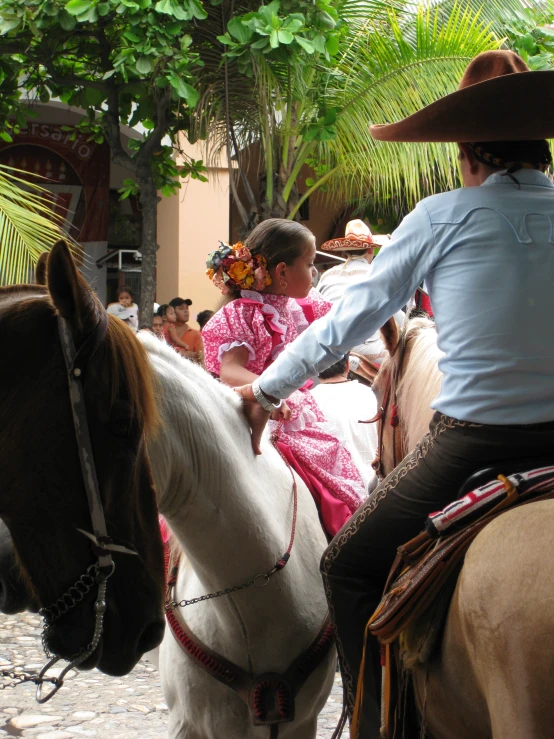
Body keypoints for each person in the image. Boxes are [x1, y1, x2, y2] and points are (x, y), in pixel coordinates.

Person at [233, 50, 554, 736]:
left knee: (346, 565)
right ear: (542, 145)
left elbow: (350, 318)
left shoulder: (442, 218)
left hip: (476, 439)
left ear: (467, 151)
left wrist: (265, 390)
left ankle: (374, 723)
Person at [202, 220, 366, 537]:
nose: (314, 272)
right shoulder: (243, 312)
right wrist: (269, 393)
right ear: (281, 273)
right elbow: (230, 371)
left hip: (289, 407)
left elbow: (345, 321)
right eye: (309, 264)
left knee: (333, 483)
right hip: (250, 409)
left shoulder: (299, 306)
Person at [317, 220, 404, 363]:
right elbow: (399, 319)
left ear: (346, 251)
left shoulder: (327, 275)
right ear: (370, 250)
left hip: (329, 344)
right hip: (364, 349)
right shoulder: (377, 274)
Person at [310, 354, 378, 496]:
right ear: (347, 365)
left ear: (316, 369)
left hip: (338, 497)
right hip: (380, 489)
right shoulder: (373, 395)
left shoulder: (308, 404)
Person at [168, 297, 204, 364]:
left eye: (187, 308)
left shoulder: (195, 334)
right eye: (181, 308)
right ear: (172, 311)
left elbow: (200, 359)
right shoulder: (164, 330)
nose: (186, 311)